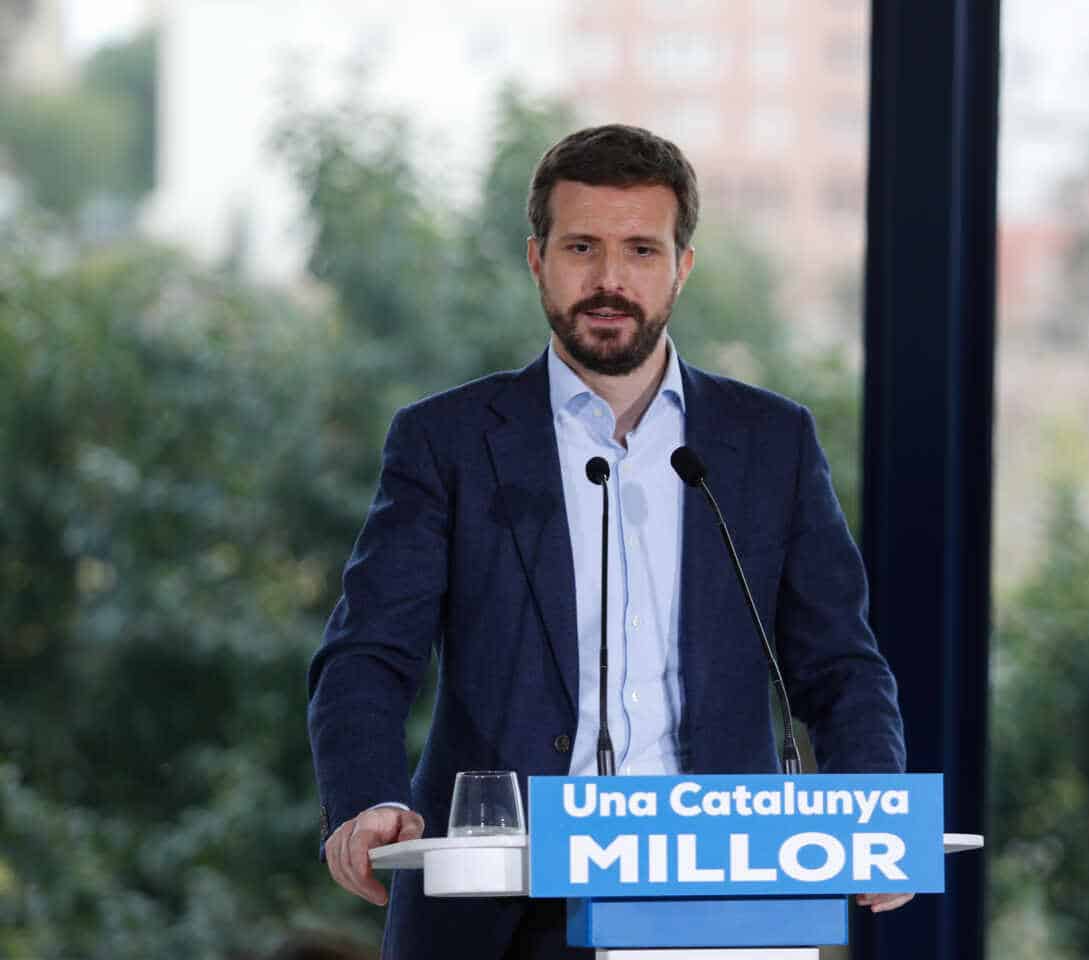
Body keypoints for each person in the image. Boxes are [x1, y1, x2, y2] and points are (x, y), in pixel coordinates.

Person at [307, 124, 908, 960]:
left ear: (682, 267)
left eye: (641, 250)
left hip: (719, 901)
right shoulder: (445, 441)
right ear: (536, 258)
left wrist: (875, 806)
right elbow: (368, 652)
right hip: (503, 907)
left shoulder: (770, 443)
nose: (610, 280)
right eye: (582, 246)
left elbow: (838, 662)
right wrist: (366, 797)